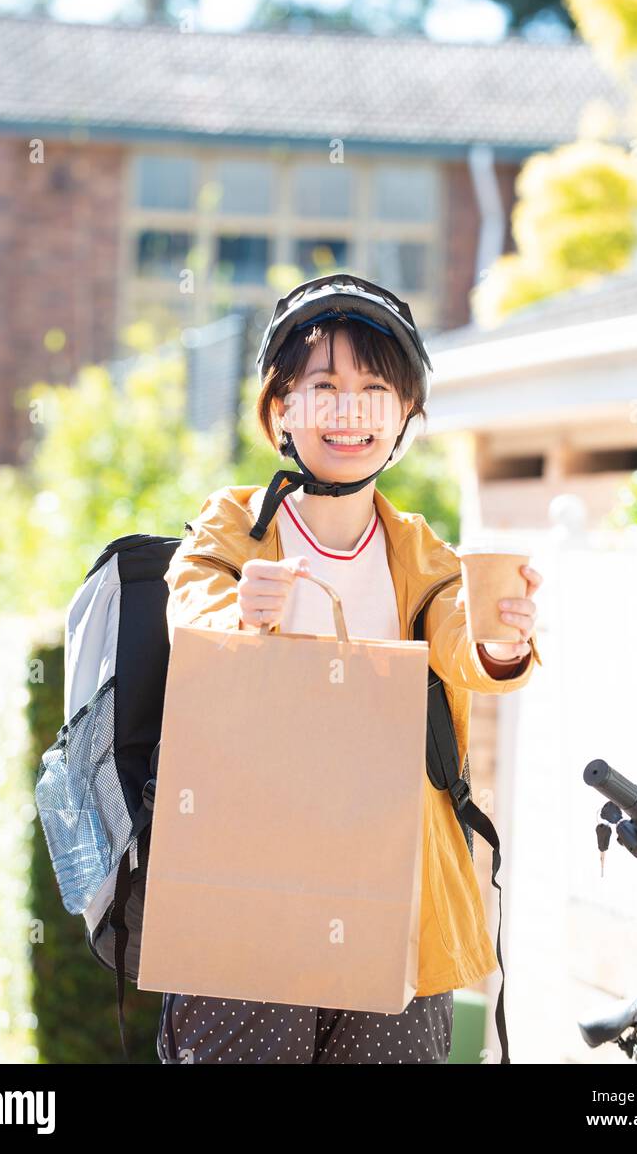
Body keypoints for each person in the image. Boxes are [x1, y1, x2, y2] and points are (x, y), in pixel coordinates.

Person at [157, 274, 542, 1064]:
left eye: (373, 391)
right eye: (323, 387)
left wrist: (503, 642)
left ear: (404, 418)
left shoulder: (421, 551)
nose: (348, 412)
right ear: (280, 412)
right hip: (245, 910)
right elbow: (191, 615)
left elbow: (463, 641)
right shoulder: (233, 526)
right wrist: (244, 614)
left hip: (397, 914)